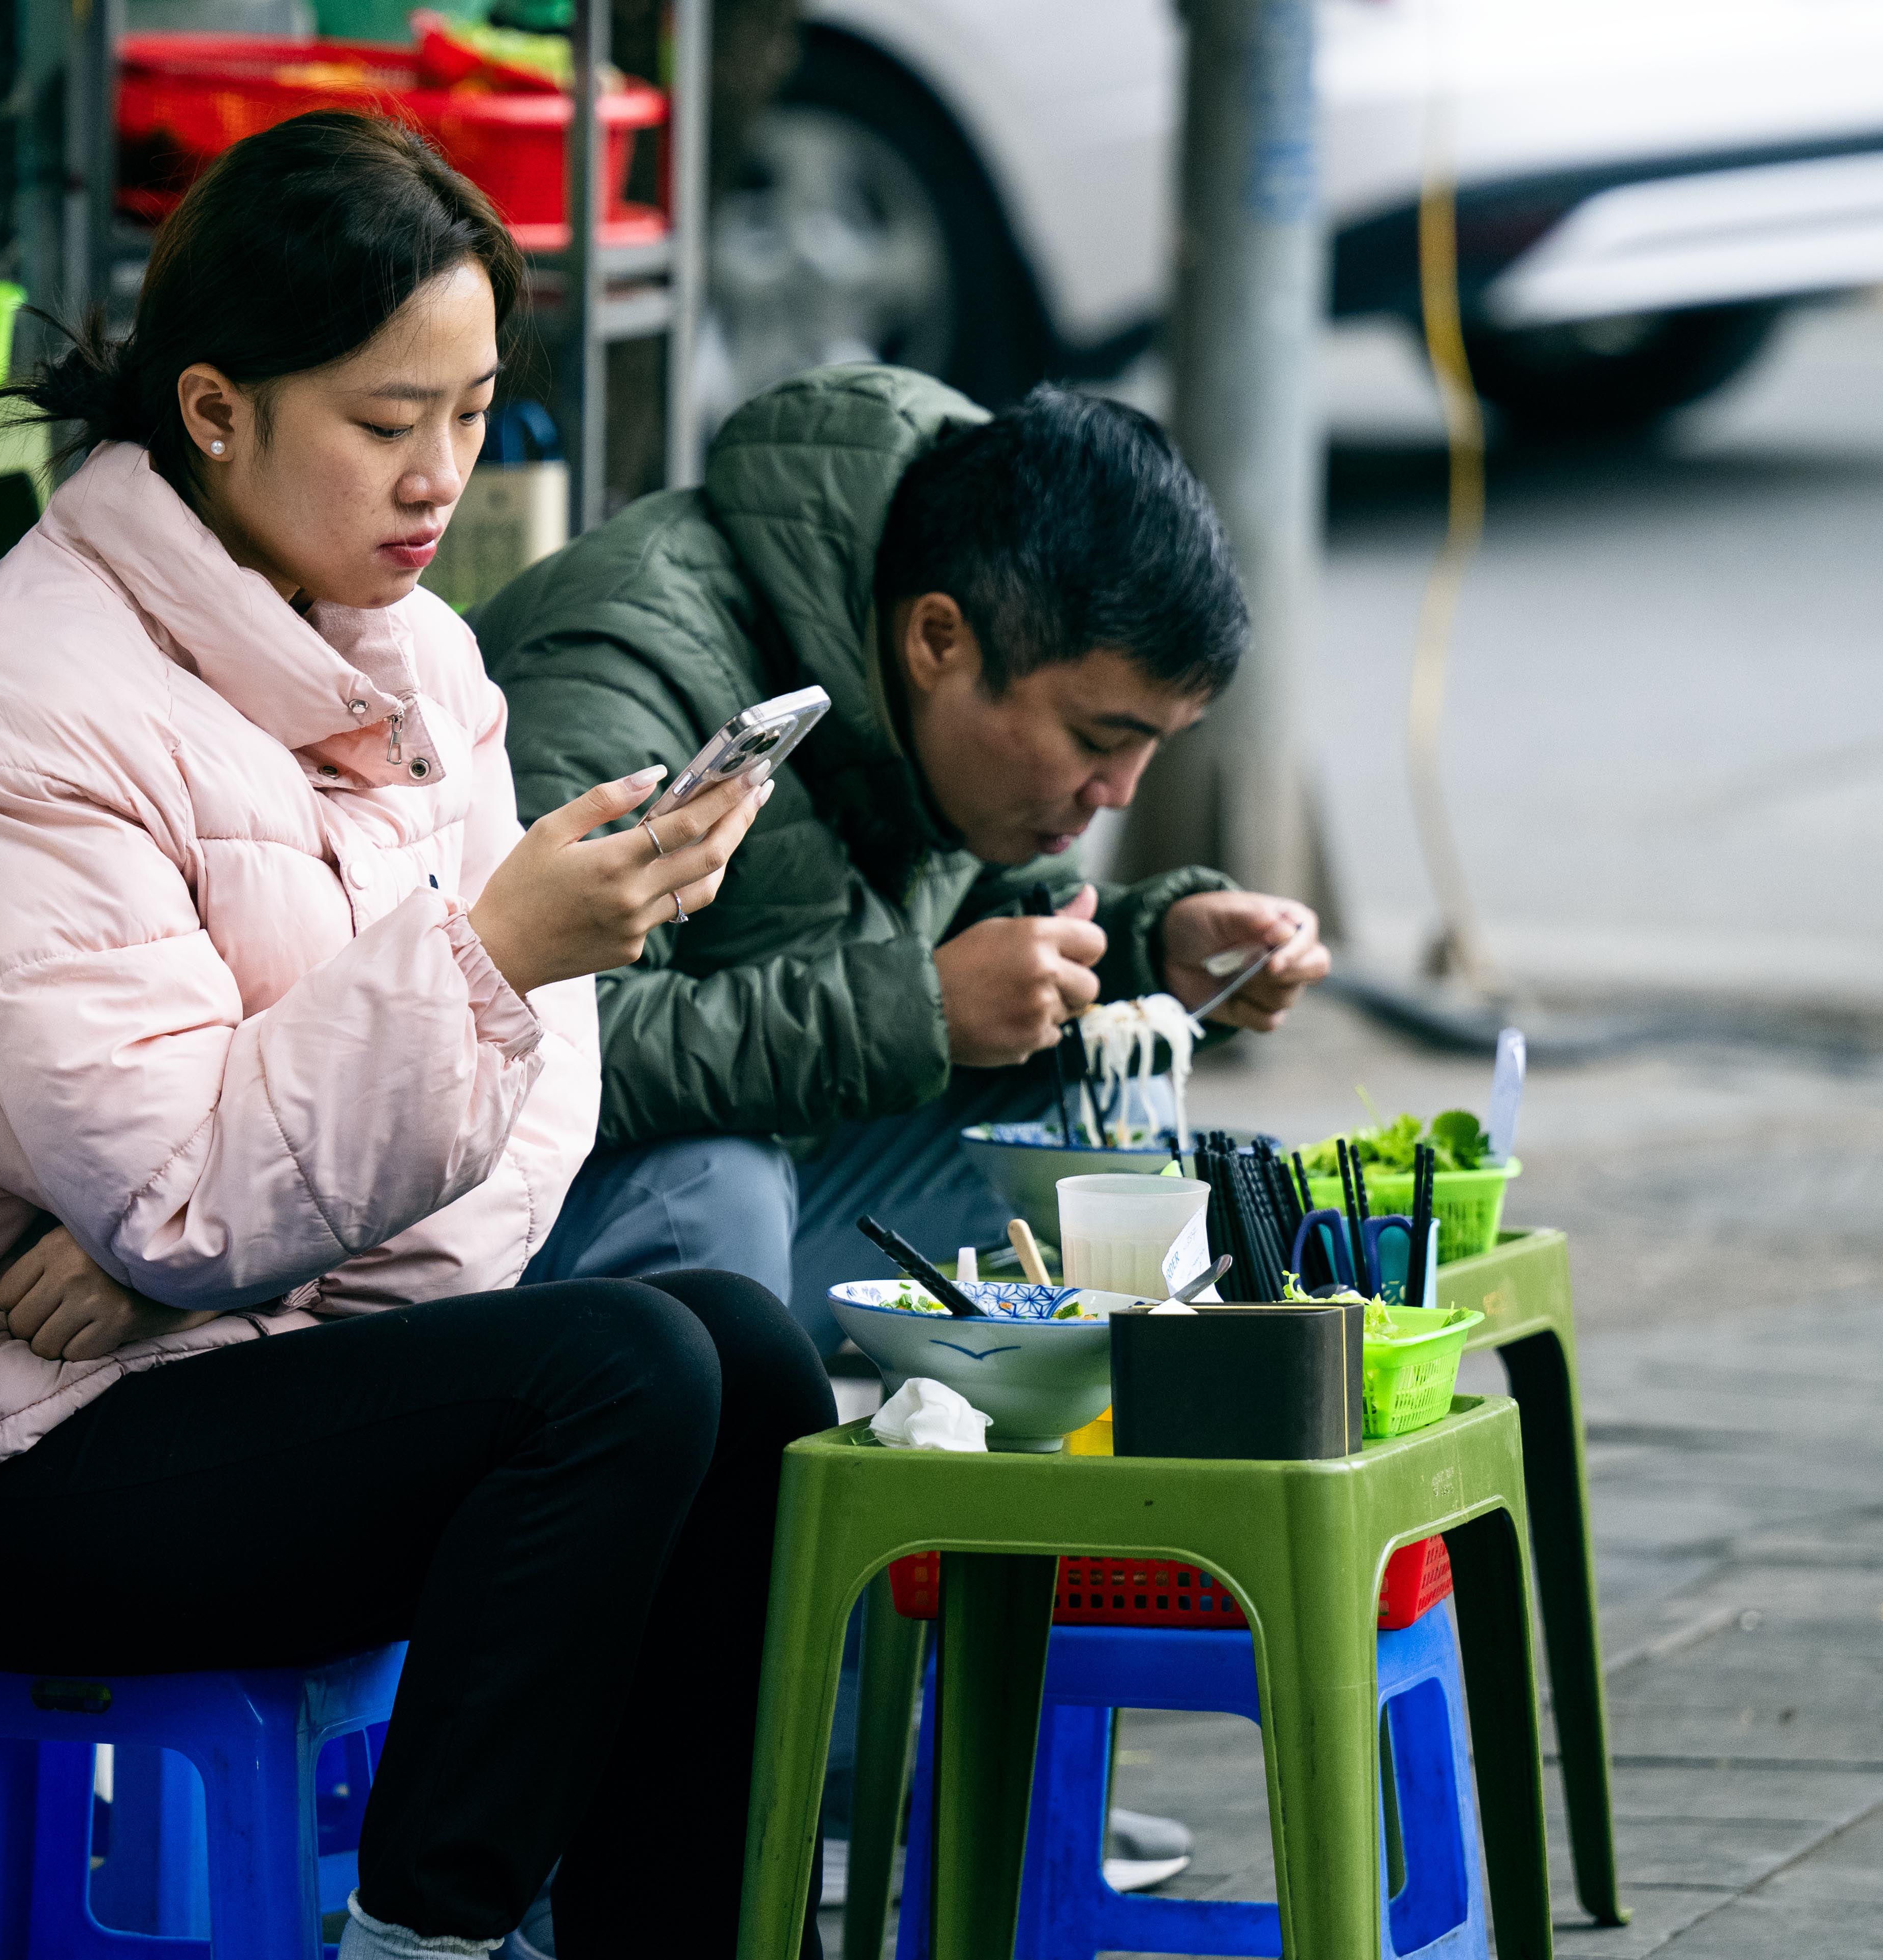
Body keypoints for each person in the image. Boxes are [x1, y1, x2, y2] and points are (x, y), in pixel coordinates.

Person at [0, 113, 930, 1960]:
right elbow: (195, 1173)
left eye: (472, 411)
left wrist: (236, 1230)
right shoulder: (16, 711)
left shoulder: (428, 670)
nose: (439, 476)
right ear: (214, 409)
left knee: (737, 1343)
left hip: (211, 1344)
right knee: (622, 1366)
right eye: (387, 419)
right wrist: (467, 982)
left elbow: (517, 1118)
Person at [476, 369, 1334, 1341]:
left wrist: (1147, 956)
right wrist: (914, 1010)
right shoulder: (627, 662)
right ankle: (709, 1480)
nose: (1119, 792)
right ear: (938, 639)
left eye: (1150, 748)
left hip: (790, 1172)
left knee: (1131, 1152)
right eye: (1097, 740)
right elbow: (532, 1040)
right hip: (532, 1250)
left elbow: (969, 915)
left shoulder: (935, 594)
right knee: (719, 1187)